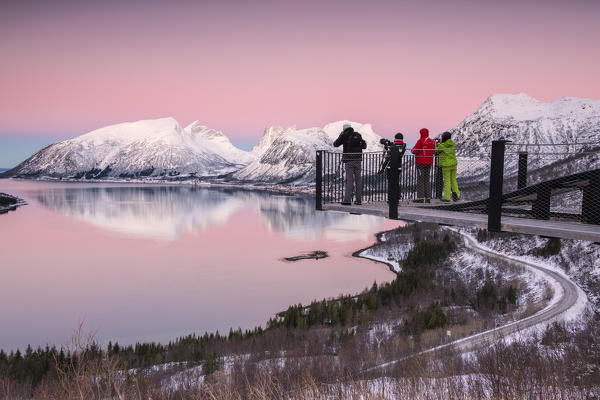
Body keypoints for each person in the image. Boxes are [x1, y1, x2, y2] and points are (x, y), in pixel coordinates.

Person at [334, 123, 367, 205]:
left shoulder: (344, 135)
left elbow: (335, 144)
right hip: (358, 160)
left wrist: (340, 135)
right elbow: (363, 146)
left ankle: (347, 200)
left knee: (349, 180)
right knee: (358, 180)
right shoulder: (358, 135)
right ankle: (358, 200)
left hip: (349, 160)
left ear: (344, 129)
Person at [411, 128, 435, 203]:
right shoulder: (432, 141)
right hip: (429, 162)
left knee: (421, 180)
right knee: (427, 180)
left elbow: (414, 150)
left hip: (421, 163)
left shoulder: (421, 140)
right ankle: (428, 197)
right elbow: (433, 151)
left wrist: (413, 150)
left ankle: (420, 198)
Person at [436, 131, 460, 202]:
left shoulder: (442, 145)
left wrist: (436, 144)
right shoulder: (452, 144)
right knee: (453, 180)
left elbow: (435, 151)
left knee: (447, 181)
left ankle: (447, 197)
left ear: (443, 138)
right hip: (453, 164)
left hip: (446, 165)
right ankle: (457, 195)